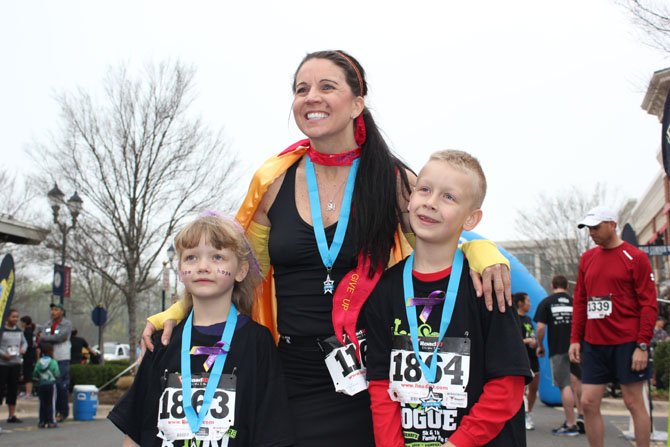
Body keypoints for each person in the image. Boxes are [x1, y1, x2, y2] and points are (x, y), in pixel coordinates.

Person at [143, 50, 512, 446]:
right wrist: (179, 309)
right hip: (291, 371)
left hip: (374, 372)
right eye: (301, 89)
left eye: (326, 86)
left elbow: (440, 237)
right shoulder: (272, 181)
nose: (311, 97)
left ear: (357, 103)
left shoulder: (394, 180)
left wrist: (484, 251)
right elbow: (240, 272)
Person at [365, 150, 530, 447]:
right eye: (425, 189)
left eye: (448, 197)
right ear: (411, 197)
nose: (430, 202)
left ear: (471, 219)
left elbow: (508, 386)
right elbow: (380, 384)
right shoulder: (385, 290)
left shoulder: (487, 286)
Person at [108, 214, 295, 447]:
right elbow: (135, 431)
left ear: (241, 270)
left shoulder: (257, 341)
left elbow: (272, 431)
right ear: (180, 269)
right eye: (191, 258)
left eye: (218, 257)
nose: (203, 267)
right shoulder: (161, 341)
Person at [568, 206, 657, 447]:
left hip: (627, 342)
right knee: (587, 402)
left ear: (612, 225)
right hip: (594, 344)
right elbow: (581, 301)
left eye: (596, 228)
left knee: (633, 402)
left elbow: (648, 305)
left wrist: (642, 344)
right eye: (589, 229)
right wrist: (575, 338)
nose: (591, 233)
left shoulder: (635, 257)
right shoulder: (587, 258)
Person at [534, 275, 584, 436]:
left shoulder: (547, 302)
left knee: (565, 385)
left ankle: (571, 424)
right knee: (578, 382)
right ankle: (582, 418)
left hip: (558, 348)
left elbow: (541, 328)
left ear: (552, 285)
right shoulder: (573, 301)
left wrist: (540, 345)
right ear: (567, 286)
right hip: (577, 346)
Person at [39, 303, 72, 422]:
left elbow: (61, 337)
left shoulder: (66, 324)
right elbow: (42, 336)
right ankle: (49, 412)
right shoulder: (47, 324)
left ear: (62, 311)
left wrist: (47, 338)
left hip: (62, 357)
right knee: (48, 385)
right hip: (49, 358)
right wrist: (48, 337)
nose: (53, 312)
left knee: (60, 385)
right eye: (52, 309)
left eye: (56, 309)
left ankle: (62, 411)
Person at [513, 292, 539, 431]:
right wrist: (527, 341)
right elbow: (512, 341)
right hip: (522, 359)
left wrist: (535, 342)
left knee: (534, 388)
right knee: (521, 390)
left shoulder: (528, 319)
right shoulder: (514, 318)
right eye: (528, 300)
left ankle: (529, 412)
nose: (530, 303)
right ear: (520, 303)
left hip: (533, 357)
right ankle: (522, 416)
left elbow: (532, 336)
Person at [0, 308, 28, 423]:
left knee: (13, 389)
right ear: (7, 317)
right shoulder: (1, 330)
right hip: (3, 363)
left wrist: (23, 349)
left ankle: (11, 415)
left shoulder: (19, 331)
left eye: (17, 317)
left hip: (15, 362)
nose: (15, 319)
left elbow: (24, 342)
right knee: (1, 388)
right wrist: (2, 354)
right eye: (13, 317)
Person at [32, 342, 60, 429]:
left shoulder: (39, 362)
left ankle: (42, 421)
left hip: (41, 385)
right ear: (50, 352)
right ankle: (51, 421)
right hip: (51, 384)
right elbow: (57, 373)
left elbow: (35, 374)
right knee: (51, 403)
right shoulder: (53, 362)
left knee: (42, 403)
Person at [19, 315, 37, 399]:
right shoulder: (30, 332)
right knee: (26, 374)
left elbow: (28, 345)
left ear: (25, 323)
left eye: (22, 322)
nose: (21, 324)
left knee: (28, 374)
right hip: (30, 357)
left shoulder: (27, 333)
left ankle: (28, 393)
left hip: (28, 356)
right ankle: (27, 392)